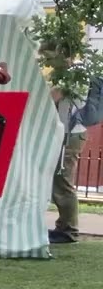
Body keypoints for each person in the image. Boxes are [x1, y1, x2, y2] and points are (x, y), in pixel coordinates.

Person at [46, 64, 103, 244]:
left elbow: (53, 95)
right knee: (60, 180)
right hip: (71, 132)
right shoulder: (75, 71)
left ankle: (68, 230)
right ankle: (63, 226)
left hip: (71, 134)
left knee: (63, 181)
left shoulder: (73, 73)